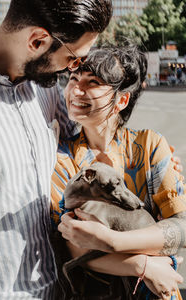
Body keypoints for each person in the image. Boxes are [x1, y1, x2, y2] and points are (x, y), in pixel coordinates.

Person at [0, 0, 112, 299]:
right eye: (73, 59)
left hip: (60, 286)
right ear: (37, 41)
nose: (75, 68)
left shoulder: (48, 88)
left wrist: (146, 156)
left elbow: (82, 150)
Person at [51, 43, 186, 299]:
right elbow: (69, 245)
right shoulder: (60, 159)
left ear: (121, 99)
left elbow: (182, 226)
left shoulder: (149, 146)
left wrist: (113, 242)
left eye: (92, 82)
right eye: (73, 78)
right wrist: (144, 265)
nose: (76, 90)